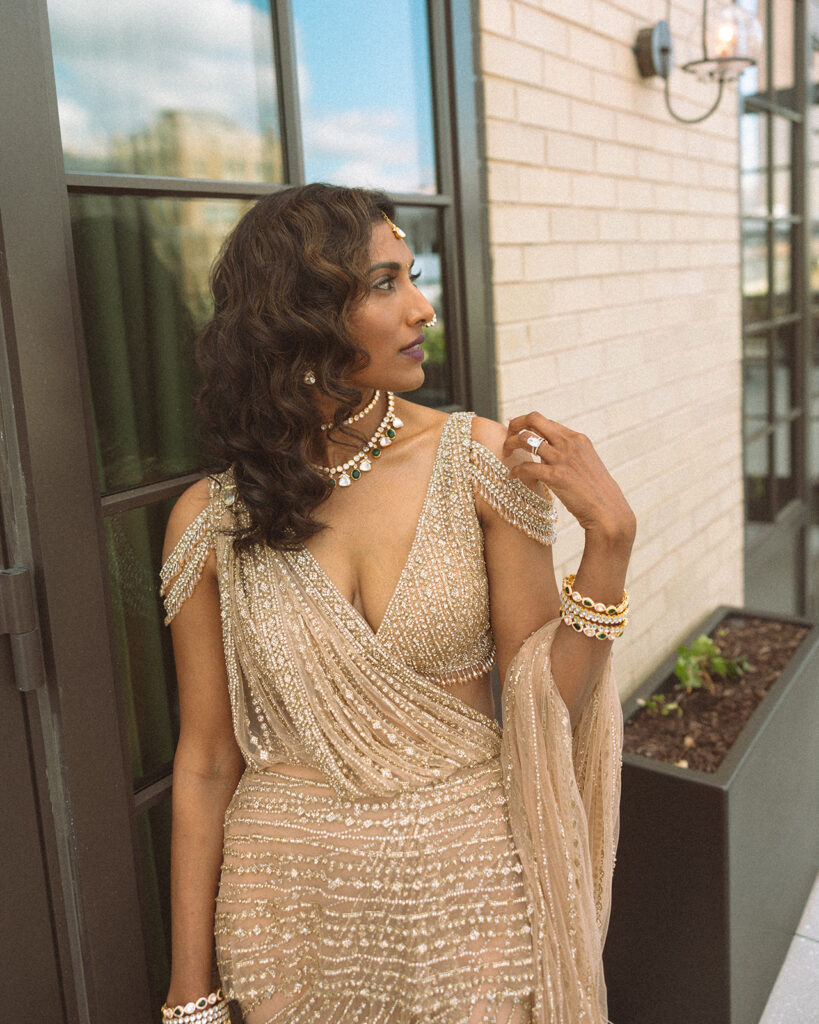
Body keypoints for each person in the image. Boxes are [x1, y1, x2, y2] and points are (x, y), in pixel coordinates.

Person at [159, 183, 635, 1024]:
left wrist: (609, 544)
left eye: (413, 278)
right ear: (296, 314)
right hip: (287, 903)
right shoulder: (211, 519)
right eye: (385, 284)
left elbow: (544, 699)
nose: (422, 309)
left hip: (467, 884)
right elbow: (203, 762)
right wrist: (188, 990)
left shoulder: (477, 460)